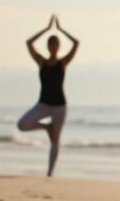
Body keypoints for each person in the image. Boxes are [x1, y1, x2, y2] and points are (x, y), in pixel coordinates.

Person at [18, 15, 78, 176]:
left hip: (60, 105)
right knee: (22, 124)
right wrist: (46, 29)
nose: (53, 46)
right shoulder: (41, 62)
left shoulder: (63, 62)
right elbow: (29, 43)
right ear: (47, 46)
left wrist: (60, 30)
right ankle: (46, 127)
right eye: (50, 44)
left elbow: (76, 43)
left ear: (58, 46)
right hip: (43, 104)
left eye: (55, 44)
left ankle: (50, 173)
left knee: (55, 140)